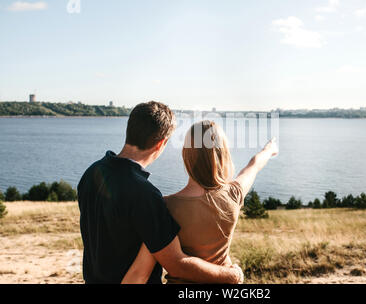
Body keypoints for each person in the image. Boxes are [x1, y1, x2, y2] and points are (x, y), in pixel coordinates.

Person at [77, 102, 243, 284]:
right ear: (161, 144)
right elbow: (176, 264)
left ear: (130, 130)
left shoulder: (92, 173)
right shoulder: (145, 195)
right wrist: (231, 275)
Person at [125, 120, 278, 283]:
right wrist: (268, 150)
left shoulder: (165, 207)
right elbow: (253, 166)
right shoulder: (233, 194)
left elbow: (141, 272)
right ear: (222, 154)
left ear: (186, 155)